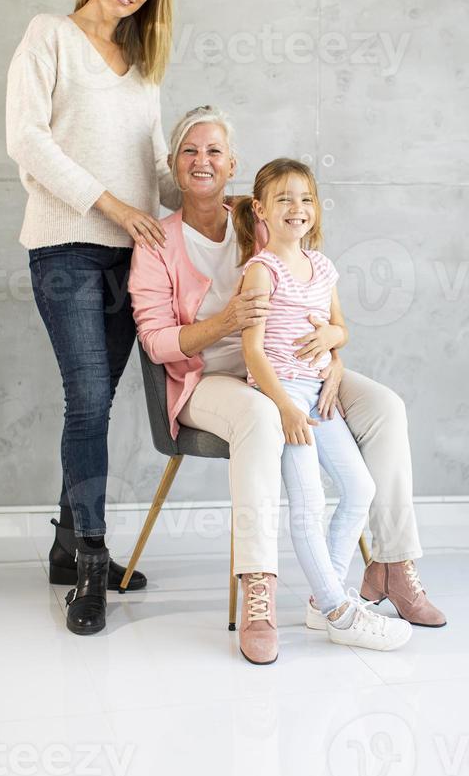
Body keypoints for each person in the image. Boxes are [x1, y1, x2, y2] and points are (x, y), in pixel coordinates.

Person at [129, 105, 446, 666]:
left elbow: (315, 301)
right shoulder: (158, 241)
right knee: (260, 414)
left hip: (300, 371)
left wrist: (336, 354)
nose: (203, 161)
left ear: (232, 165)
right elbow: (156, 342)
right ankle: (260, 586)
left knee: (386, 407)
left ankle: (392, 561)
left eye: (214, 151)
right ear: (173, 167)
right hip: (212, 379)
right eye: (189, 151)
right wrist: (224, 323)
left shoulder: (264, 216)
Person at [6, 0, 181, 637]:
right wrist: (110, 203)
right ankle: (91, 563)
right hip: (68, 247)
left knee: (96, 405)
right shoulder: (49, 34)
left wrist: (211, 193)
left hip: (128, 260)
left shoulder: (143, 68)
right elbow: (26, 138)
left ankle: (64, 545)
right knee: (86, 402)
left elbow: (157, 172)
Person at [235, 159, 413, 656]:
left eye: (306, 198)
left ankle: (323, 597)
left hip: (319, 393)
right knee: (309, 503)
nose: (297, 208)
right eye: (285, 199)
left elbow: (340, 327)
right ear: (261, 209)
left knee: (360, 487)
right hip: (285, 395)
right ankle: (339, 609)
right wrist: (286, 410)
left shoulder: (322, 266)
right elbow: (252, 350)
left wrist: (334, 343)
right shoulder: (261, 271)